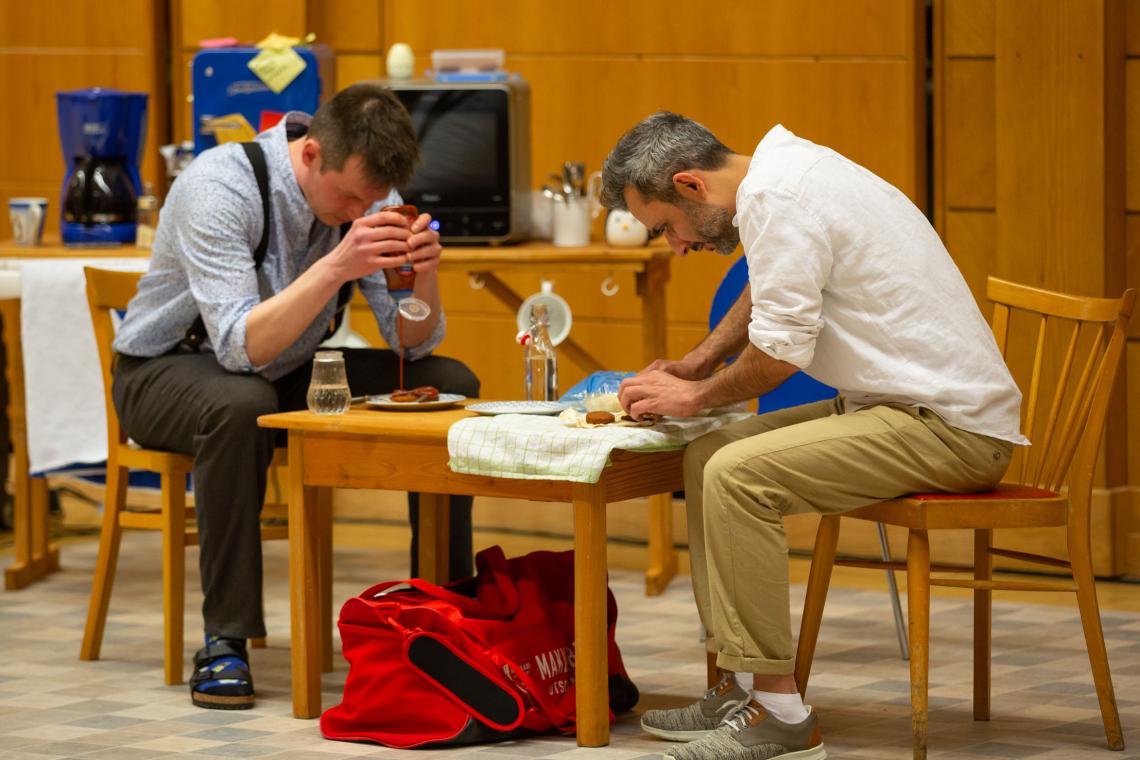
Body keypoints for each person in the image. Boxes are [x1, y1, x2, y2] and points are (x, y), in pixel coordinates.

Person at [600, 112, 1027, 760]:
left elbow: (779, 355)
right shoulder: (786, 174)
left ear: (690, 186)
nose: (674, 246)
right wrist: (698, 363)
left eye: (664, 228)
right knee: (709, 452)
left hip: (951, 429)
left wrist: (693, 395)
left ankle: (782, 715)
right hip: (893, 408)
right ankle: (740, 685)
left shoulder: (781, 196)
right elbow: (770, 293)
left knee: (739, 475)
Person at [111, 83, 479, 710]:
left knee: (448, 382)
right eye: (349, 197)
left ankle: (442, 612)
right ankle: (225, 640)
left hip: (282, 367)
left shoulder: (371, 193)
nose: (360, 210)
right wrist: (338, 266)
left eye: (372, 200)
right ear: (310, 154)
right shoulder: (218, 186)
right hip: (165, 371)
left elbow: (407, 344)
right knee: (240, 403)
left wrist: (425, 273)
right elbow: (237, 348)